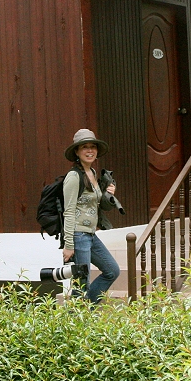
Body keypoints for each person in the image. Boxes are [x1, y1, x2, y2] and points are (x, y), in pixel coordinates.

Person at [62, 129, 120, 303]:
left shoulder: (93, 173)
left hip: (91, 234)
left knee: (112, 271)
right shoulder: (74, 176)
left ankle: (87, 310)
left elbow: (101, 206)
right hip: (78, 235)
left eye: (93, 146)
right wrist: (68, 244)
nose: (90, 150)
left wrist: (109, 194)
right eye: (84, 147)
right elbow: (68, 211)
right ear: (77, 152)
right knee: (82, 284)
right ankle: (78, 317)